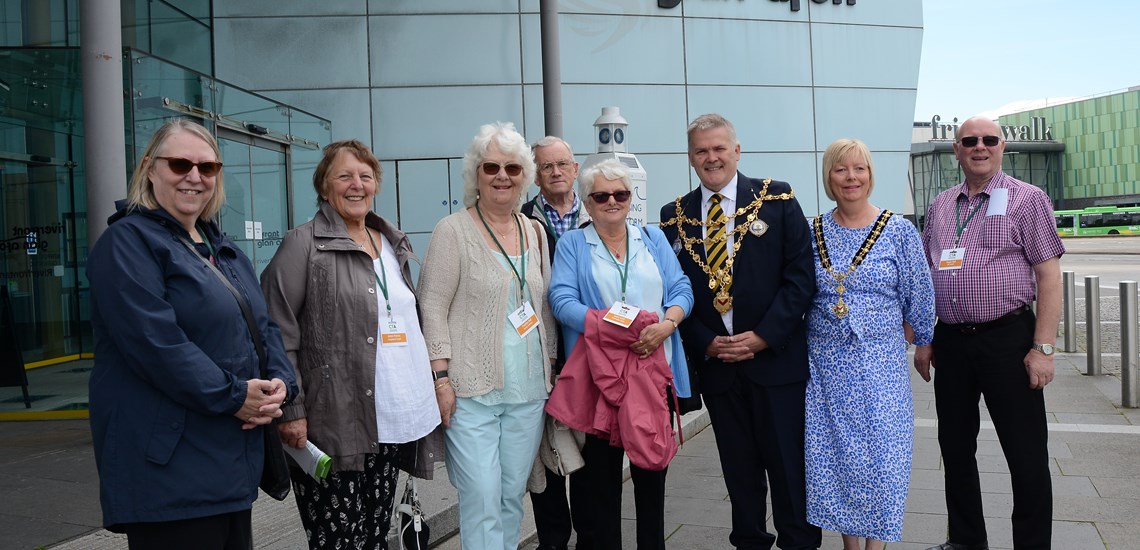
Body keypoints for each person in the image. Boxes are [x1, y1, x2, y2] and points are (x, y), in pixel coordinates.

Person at [87, 118, 297, 549]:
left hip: (228, 466)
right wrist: (235, 397)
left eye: (208, 167)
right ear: (150, 168)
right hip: (170, 471)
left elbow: (264, 327)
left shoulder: (222, 248)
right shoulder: (126, 243)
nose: (195, 176)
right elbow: (156, 344)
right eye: (180, 164)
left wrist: (281, 384)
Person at [259, 140, 443, 549]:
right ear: (324, 187)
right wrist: (291, 408)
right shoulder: (303, 244)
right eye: (344, 176)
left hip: (388, 421)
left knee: (375, 536)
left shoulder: (390, 243)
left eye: (365, 176)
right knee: (338, 541)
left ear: (376, 183)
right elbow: (276, 331)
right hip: (333, 423)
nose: (356, 185)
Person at [659, 113, 820, 550]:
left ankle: (799, 543)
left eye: (719, 148)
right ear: (690, 157)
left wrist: (764, 335)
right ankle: (749, 542)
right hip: (719, 367)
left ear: (736, 150)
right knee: (738, 470)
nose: (711, 158)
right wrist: (704, 342)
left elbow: (801, 279)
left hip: (776, 361)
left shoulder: (777, 199)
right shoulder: (673, 217)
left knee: (788, 467)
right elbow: (672, 290)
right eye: (701, 150)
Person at [915, 116, 1063, 550]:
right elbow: (925, 276)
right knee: (955, 447)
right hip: (951, 342)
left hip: (1007, 339)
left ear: (1002, 147)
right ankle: (965, 541)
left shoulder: (1027, 199)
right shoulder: (941, 205)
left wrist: (1043, 348)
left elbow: (1049, 277)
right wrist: (925, 339)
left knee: (1025, 453)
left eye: (989, 139)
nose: (979, 146)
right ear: (956, 150)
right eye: (969, 140)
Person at [418, 121, 558, 550]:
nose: (502, 176)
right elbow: (432, 306)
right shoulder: (452, 230)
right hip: (469, 391)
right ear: (475, 174)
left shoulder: (534, 231)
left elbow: (543, 307)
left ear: (524, 176)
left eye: (512, 168)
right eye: (491, 167)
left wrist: (551, 366)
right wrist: (440, 379)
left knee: (511, 495)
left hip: (528, 391)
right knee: (480, 496)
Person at [547, 158, 693, 550]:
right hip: (602, 377)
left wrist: (667, 324)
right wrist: (612, 328)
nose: (612, 201)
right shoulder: (573, 244)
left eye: (621, 194)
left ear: (630, 199)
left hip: (653, 373)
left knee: (652, 473)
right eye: (601, 195)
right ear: (587, 202)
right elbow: (561, 300)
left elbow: (681, 288)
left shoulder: (652, 238)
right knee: (600, 485)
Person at [803, 139, 936, 550]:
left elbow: (920, 294)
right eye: (841, 169)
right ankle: (849, 546)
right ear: (828, 177)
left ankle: (875, 547)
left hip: (882, 368)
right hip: (826, 367)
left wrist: (921, 342)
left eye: (859, 169)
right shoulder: (811, 231)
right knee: (839, 459)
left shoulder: (898, 231)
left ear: (870, 175)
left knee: (883, 460)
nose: (851, 178)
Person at [522, 135, 591, 550]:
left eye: (562, 163)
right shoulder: (521, 222)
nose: (556, 172)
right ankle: (553, 540)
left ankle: (588, 537)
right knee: (545, 452)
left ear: (576, 169)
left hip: (588, 353)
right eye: (546, 166)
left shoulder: (599, 213)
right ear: (535, 176)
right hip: (539, 353)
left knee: (586, 454)